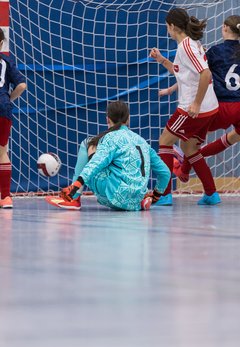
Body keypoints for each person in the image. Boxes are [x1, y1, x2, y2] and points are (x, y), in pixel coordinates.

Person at [149, 7, 221, 206]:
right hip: (209, 108)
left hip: (194, 108)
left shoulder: (186, 47)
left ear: (172, 26)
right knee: (189, 148)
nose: (167, 31)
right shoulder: (190, 44)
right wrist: (162, 59)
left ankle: (164, 194)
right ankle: (211, 194)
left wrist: (196, 103)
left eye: (167, 27)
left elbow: (205, 74)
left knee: (165, 140)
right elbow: (180, 72)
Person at [45, 100, 171, 211]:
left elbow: (96, 163)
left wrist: (76, 185)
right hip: (136, 200)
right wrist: (156, 196)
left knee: (87, 143)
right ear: (128, 120)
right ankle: (141, 200)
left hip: (115, 195)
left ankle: (74, 199)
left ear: (107, 119)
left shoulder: (110, 138)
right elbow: (165, 173)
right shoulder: (142, 141)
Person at [170, 15, 240, 182]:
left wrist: (172, 88)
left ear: (224, 27)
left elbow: (196, 73)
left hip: (222, 105)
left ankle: (185, 170)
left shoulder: (215, 51)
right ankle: (188, 167)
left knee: (189, 142)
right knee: (233, 137)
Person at [0, 28, 27, 209]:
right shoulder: (6, 60)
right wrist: (8, 99)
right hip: (2, 108)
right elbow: (22, 85)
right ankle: (6, 197)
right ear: (2, 44)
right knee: (2, 152)